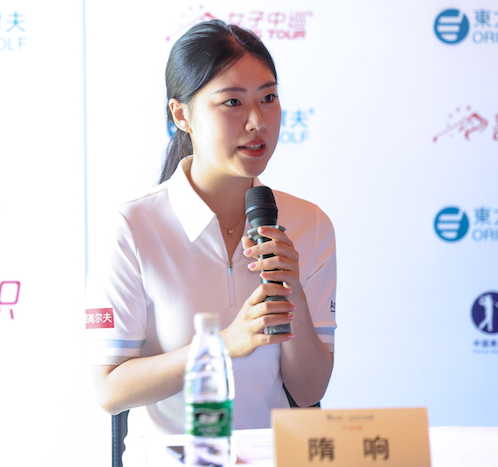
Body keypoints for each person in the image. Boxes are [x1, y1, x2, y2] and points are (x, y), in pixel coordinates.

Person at [84, 19, 336, 462]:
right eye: (232, 102)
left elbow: (309, 390)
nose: (257, 121)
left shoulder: (308, 224)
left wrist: (292, 289)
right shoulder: (134, 226)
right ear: (181, 115)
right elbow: (110, 390)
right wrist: (220, 346)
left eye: (268, 98)